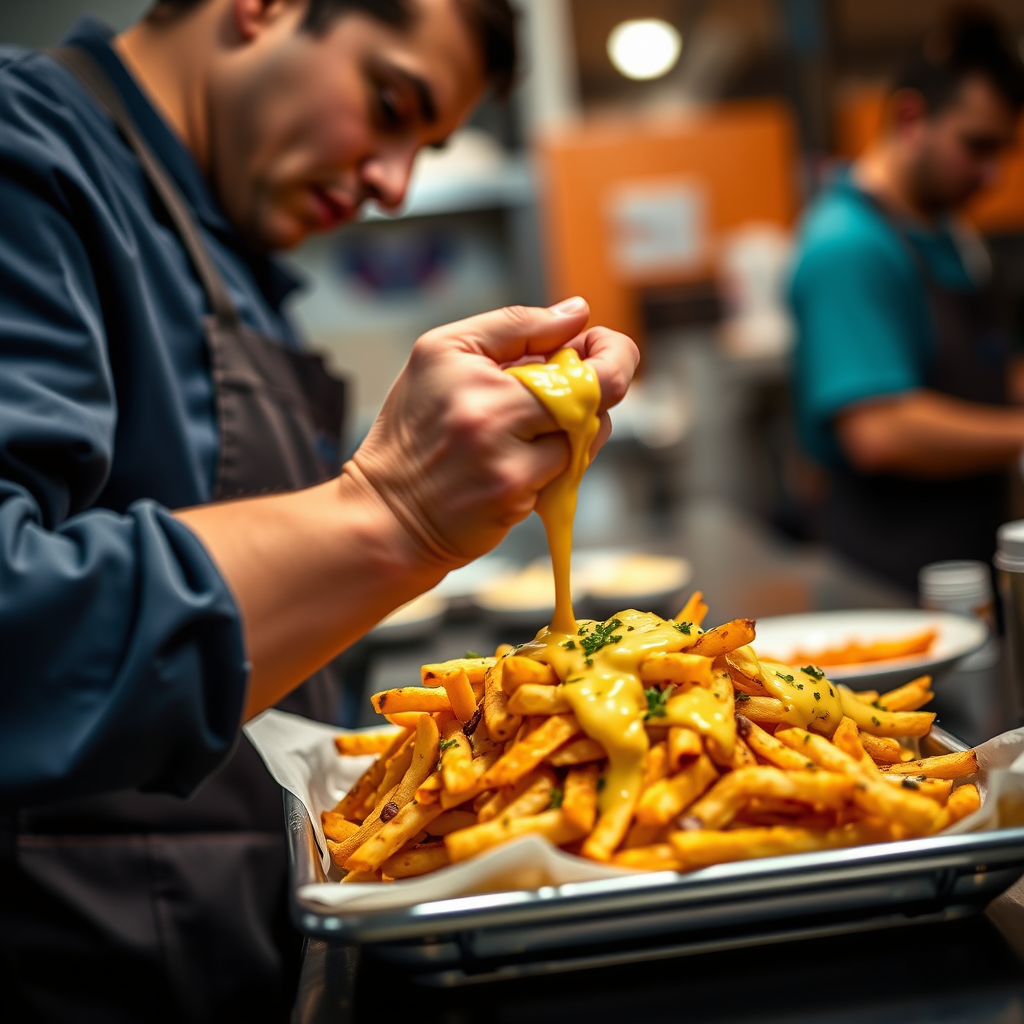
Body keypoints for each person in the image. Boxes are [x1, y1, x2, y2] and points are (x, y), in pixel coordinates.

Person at [0, 1, 639, 1020]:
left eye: (424, 148)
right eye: (390, 104)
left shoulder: (226, 253)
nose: (393, 185)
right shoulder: (24, 160)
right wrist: (390, 509)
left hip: (239, 943)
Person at [790, 10, 1024, 592]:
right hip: (889, 581)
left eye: (1002, 150)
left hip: (966, 557)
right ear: (912, 118)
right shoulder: (848, 244)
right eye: (976, 146)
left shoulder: (942, 231)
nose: (992, 175)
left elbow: (972, 373)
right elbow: (879, 430)